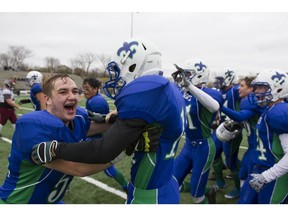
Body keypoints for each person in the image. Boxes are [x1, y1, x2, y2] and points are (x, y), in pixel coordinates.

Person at [31, 38, 186, 204]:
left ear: (134, 66)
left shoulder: (145, 91)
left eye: (118, 70)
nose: (116, 77)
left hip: (150, 193)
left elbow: (103, 150)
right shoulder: (170, 90)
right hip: (165, 183)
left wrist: (56, 149)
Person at [0, 74, 157, 204]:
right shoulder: (33, 126)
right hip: (18, 202)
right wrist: (128, 146)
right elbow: (78, 168)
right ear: (47, 99)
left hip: (50, 200)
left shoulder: (78, 118)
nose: (72, 96)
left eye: (75, 91)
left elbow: (104, 125)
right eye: (63, 92)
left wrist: (133, 117)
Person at [171, 60, 223, 204]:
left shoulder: (209, 93)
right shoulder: (184, 92)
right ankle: (209, 191)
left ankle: (205, 196)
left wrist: (190, 86)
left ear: (199, 75)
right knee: (171, 182)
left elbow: (214, 106)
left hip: (204, 147)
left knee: (196, 195)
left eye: (188, 74)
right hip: (188, 145)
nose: (184, 77)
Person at [238, 69, 288, 204]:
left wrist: (266, 176)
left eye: (261, 87)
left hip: (274, 177)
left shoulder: (279, 112)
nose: (256, 92)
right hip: (259, 170)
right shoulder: (270, 109)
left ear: (277, 89)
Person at [82, 77, 128, 192]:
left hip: (99, 138)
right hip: (96, 136)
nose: (84, 91)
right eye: (84, 88)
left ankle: (126, 187)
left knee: (108, 169)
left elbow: (104, 125)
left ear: (95, 89)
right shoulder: (92, 99)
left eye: (87, 88)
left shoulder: (96, 101)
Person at [218, 76, 265, 188]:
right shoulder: (249, 101)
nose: (238, 88)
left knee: (251, 176)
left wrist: (220, 107)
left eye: (242, 85)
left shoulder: (251, 101)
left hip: (260, 147)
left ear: (251, 89)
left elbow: (241, 116)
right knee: (243, 173)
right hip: (253, 145)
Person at [212, 68, 242, 199]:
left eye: (221, 79)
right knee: (214, 153)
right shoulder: (220, 91)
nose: (218, 82)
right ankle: (220, 182)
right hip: (220, 128)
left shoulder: (234, 91)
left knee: (231, 161)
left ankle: (239, 187)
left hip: (232, 130)